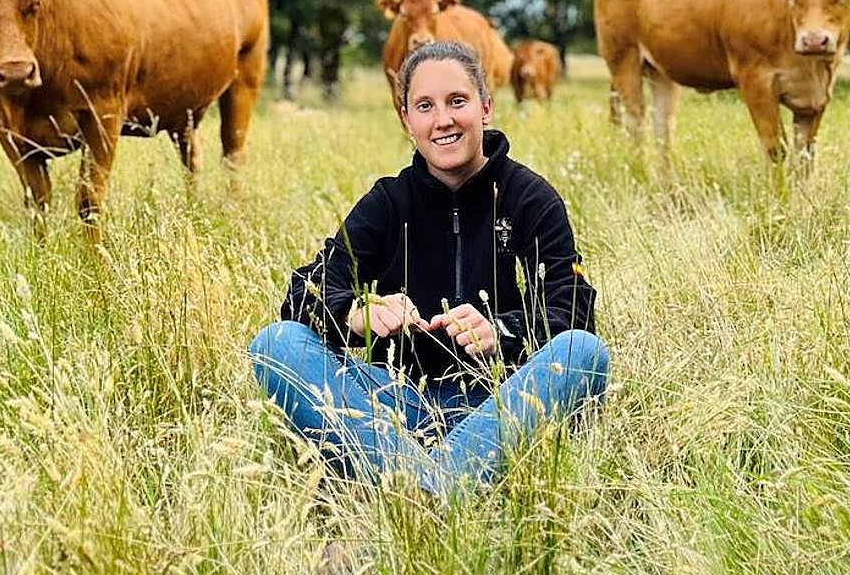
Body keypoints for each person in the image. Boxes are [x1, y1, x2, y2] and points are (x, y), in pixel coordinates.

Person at [249, 41, 608, 499]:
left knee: (585, 352)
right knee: (275, 344)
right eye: (425, 106)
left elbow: (573, 309)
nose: (443, 120)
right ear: (406, 121)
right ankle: (438, 486)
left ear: (485, 107)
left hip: (500, 403)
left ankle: (409, 491)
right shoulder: (389, 202)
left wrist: (502, 331)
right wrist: (357, 315)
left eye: (457, 101)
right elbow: (306, 290)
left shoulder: (530, 199)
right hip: (397, 403)